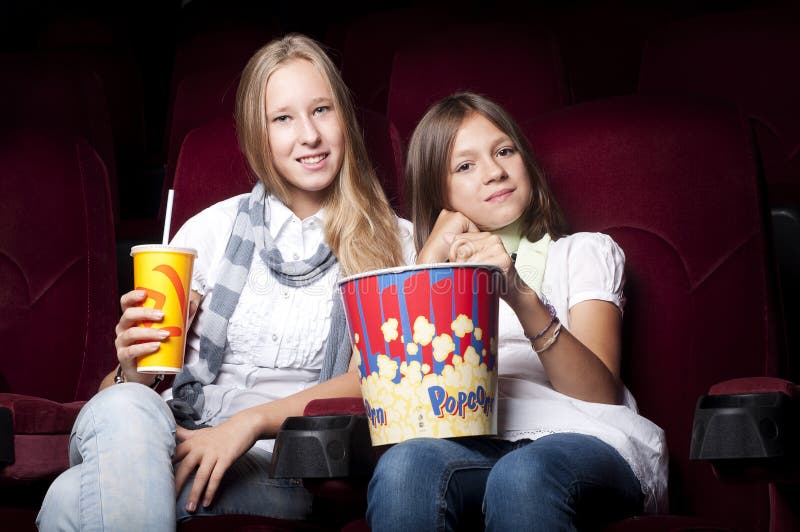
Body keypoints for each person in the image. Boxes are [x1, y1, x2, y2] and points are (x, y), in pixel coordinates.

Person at [37, 34, 415, 531]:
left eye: (321, 110)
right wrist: (133, 368)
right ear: (258, 134)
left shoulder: (395, 244)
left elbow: (373, 383)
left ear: (344, 116)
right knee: (125, 402)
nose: (309, 135)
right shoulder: (206, 234)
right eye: (283, 118)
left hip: (288, 466)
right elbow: (119, 398)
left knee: (69, 500)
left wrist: (247, 424)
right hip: (174, 435)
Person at [366, 92, 668, 531]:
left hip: (584, 439)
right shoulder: (423, 274)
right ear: (439, 192)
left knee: (521, 474)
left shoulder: (581, 253)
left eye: (504, 151)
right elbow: (392, 387)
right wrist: (433, 251)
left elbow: (599, 394)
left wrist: (519, 294)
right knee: (402, 468)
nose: (494, 172)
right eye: (465, 166)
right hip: (472, 446)